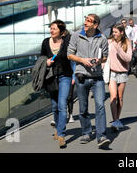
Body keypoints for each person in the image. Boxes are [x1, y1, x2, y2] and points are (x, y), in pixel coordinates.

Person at [67, 14, 111, 148]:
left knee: (100, 106)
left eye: (89, 21)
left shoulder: (102, 38)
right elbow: (69, 54)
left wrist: (99, 60)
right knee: (83, 108)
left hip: (97, 77)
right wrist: (83, 60)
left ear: (95, 25)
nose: (85, 23)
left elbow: (105, 56)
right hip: (81, 76)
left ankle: (101, 136)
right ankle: (86, 132)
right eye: (85, 20)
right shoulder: (76, 36)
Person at [41, 20, 72, 148]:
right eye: (51, 28)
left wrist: (74, 74)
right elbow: (41, 57)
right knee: (54, 106)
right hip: (51, 77)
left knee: (62, 105)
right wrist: (46, 62)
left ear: (61, 31)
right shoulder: (45, 42)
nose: (51, 31)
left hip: (65, 76)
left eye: (54, 29)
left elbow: (72, 57)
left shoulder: (67, 42)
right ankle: (59, 128)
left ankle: (61, 134)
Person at [107, 24, 132, 131]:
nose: (114, 34)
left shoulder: (127, 42)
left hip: (122, 73)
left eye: (116, 32)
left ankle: (117, 118)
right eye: (113, 32)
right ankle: (116, 120)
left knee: (120, 98)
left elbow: (128, 58)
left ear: (121, 32)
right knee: (113, 97)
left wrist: (119, 49)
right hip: (111, 72)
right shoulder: (109, 42)